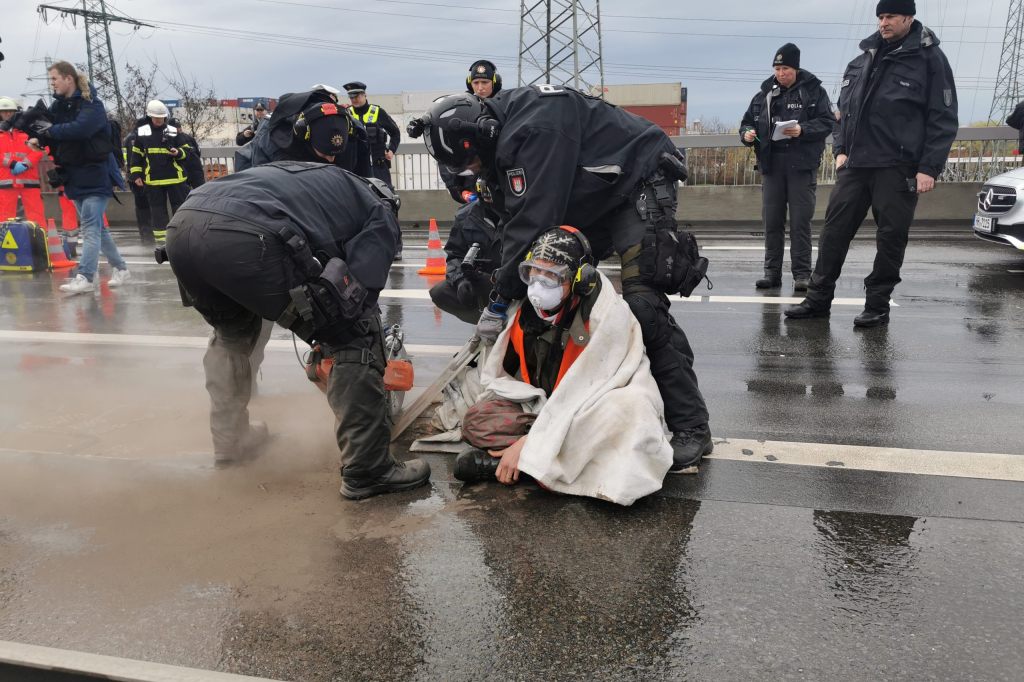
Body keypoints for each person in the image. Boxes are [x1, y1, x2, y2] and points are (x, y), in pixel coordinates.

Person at [409, 88, 713, 472]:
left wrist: (501, 296)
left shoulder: (536, 130)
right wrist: (484, 282)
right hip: (589, 192)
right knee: (550, 288)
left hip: (636, 182)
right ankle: (568, 397)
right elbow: (504, 224)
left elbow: (534, 218)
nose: (473, 171)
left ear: (484, 134)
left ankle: (692, 426)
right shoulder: (498, 143)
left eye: (472, 162)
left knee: (643, 305)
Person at [164, 161, 430, 499]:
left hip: (183, 229)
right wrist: (334, 333)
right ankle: (368, 469)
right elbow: (360, 293)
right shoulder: (377, 208)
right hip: (250, 236)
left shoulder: (319, 182)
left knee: (232, 334)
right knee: (354, 333)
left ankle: (231, 442)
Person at [452, 226, 674, 504]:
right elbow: (505, 374)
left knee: (631, 415)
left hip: (592, 407)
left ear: (578, 280)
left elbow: (589, 389)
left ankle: (527, 463)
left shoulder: (606, 315)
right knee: (477, 420)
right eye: (533, 272)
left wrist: (529, 442)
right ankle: (545, 462)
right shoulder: (524, 312)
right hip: (545, 409)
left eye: (552, 276)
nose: (539, 285)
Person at [785, 0, 958, 327]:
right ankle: (818, 300)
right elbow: (839, 114)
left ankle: (877, 305)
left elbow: (943, 118)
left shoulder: (929, 60)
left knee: (891, 237)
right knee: (834, 232)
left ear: (908, 17)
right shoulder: (863, 59)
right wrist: (840, 150)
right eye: (880, 16)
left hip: (898, 166)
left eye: (890, 16)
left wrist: (928, 168)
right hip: (856, 166)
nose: (883, 22)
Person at [27, 61, 130, 294]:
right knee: (99, 230)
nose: (51, 83)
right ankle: (121, 269)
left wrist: (49, 131)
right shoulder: (58, 107)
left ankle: (85, 276)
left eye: (54, 79)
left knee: (91, 227)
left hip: (96, 174)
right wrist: (40, 139)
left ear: (68, 79)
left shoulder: (92, 105)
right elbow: (52, 132)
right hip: (73, 175)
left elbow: (80, 129)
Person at [740, 44, 834, 291]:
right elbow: (747, 122)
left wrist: (803, 130)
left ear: (796, 68)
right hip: (772, 166)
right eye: (777, 68)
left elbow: (827, 123)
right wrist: (747, 134)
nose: (781, 73)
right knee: (772, 222)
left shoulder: (814, 92)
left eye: (786, 68)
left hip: (801, 165)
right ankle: (771, 273)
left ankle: (802, 274)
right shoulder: (764, 94)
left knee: (800, 223)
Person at [344, 81, 402, 259]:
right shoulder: (346, 114)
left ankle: (396, 246)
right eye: (352, 97)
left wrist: (391, 150)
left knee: (388, 204)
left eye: (358, 96)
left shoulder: (377, 111)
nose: (355, 99)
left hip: (378, 167)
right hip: (356, 169)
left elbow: (395, 132)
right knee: (356, 207)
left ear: (365, 95)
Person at [128, 100, 196, 244]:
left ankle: (181, 240)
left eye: (161, 117)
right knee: (158, 213)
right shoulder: (143, 133)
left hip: (175, 179)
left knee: (180, 210)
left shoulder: (172, 130)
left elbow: (188, 151)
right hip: (153, 180)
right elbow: (136, 157)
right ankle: (163, 244)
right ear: (150, 116)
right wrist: (136, 175)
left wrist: (178, 152)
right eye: (156, 117)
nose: (159, 120)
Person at [428, 198, 502, 324]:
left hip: (514, 282)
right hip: (483, 282)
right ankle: (485, 324)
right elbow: (455, 254)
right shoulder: (466, 215)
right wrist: (461, 280)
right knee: (440, 292)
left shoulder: (522, 210)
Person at [0, 96, 46, 226]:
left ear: (16, 111)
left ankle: (41, 244)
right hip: (5, 183)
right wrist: (12, 164)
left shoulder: (28, 129)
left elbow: (43, 147)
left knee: (37, 218)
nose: (7, 113)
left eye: (10, 111)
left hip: (29, 180)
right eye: (4, 111)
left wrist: (26, 163)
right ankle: (4, 246)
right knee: (4, 219)